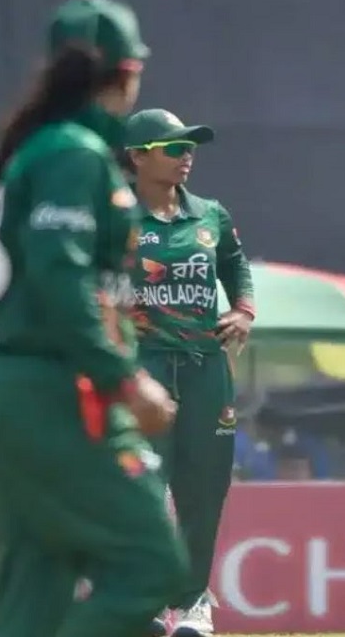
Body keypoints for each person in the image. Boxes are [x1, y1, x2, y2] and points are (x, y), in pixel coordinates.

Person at [0, 0, 188, 637]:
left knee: (34, 592)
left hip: (9, 386)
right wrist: (123, 378)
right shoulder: (73, 152)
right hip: (55, 387)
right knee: (150, 564)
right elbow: (60, 277)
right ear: (128, 72)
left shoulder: (41, 145)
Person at [122, 108, 256, 637]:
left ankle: (195, 601)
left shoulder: (210, 214)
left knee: (203, 488)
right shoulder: (115, 217)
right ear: (137, 157)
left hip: (205, 367)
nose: (186, 156)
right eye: (173, 147)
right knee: (146, 490)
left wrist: (243, 309)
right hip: (144, 368)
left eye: (190, 147)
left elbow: (235, 261)